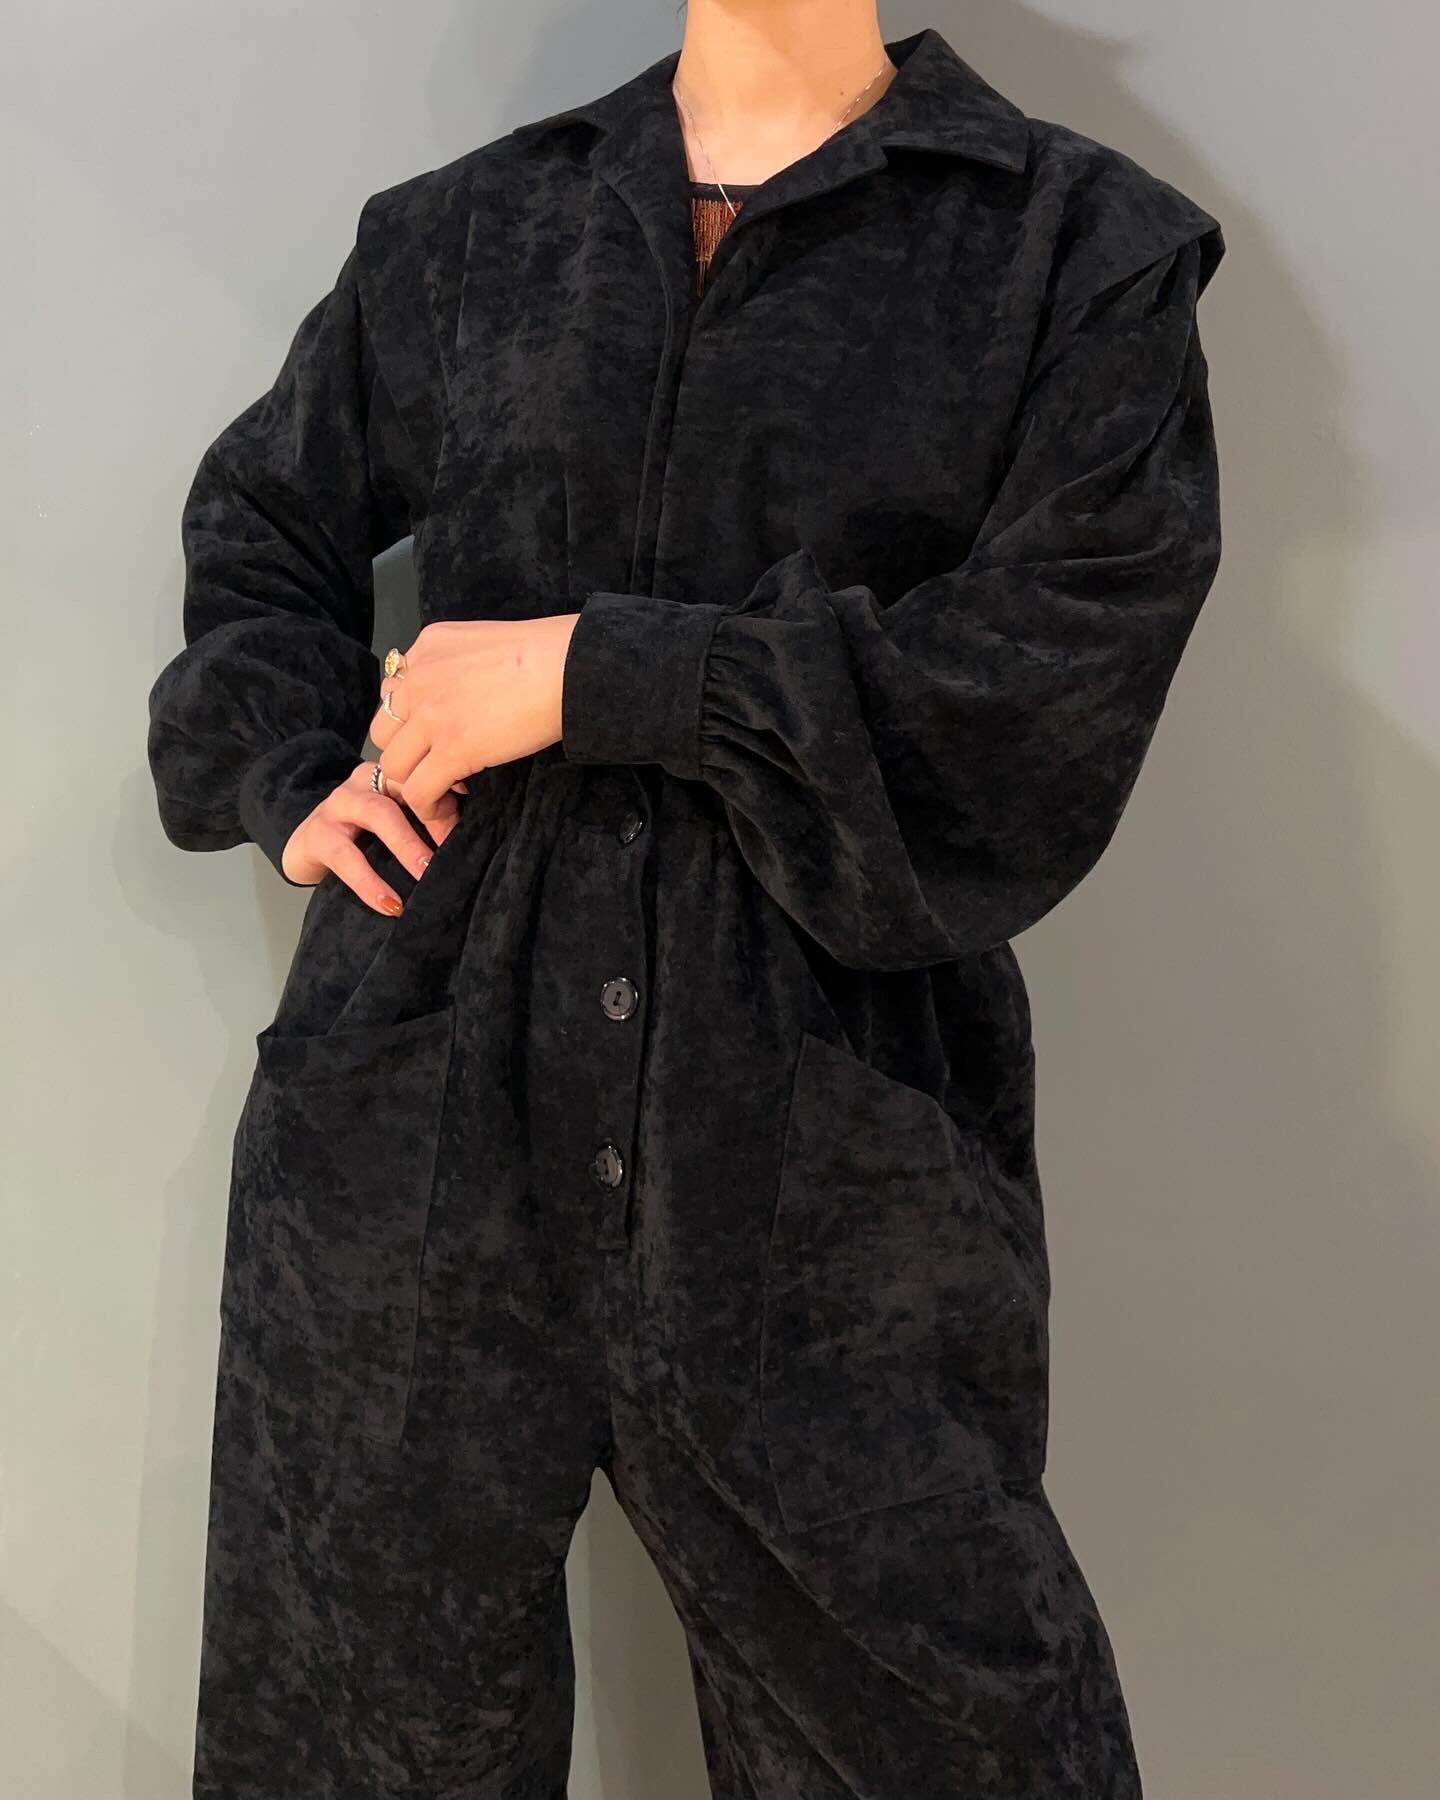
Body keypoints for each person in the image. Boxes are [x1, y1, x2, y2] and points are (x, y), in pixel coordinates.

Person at [146, 6, 1225, 1795]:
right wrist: (287, 768)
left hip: (825, 1158)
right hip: (421, 1128)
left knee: (950, 1734)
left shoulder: (1073, 251)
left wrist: (601, 674)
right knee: (352, 1744)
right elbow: (262, 525)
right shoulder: (473, 228)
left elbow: (1043, 697)